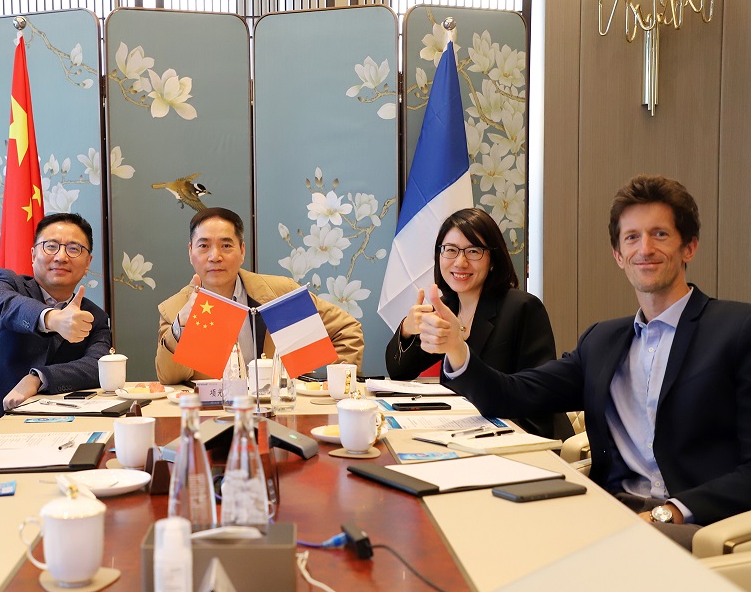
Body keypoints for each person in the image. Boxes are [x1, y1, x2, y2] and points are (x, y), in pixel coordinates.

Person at [422, 175, 751, 546]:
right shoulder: (602, 341)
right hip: (609, 509)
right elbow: (512, 394)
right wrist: (456, 348)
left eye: (659, 234)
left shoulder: (737, 329)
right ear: (618, 255)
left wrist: (669, 512)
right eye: (632, 237)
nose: (645, 248)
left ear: (689, 247)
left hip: (700, 527)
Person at [385, 208, 573, 440]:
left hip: (519, 435)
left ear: (493, 260)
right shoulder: (447, 308)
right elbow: (400, 372)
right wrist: (407, 329)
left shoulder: (522, 307)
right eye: (450, 250)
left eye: (473, 251)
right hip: (460, 433)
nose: (460, 262)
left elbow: (538, 396)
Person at [156, 207, 365, 385]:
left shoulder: (280, 294)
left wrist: (337, 386)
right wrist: (181, 326)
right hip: (212, 415)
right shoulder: (175, 309)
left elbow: (347, 330)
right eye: (204, 246)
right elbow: (169, 378)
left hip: (279, 411)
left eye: (226, 246)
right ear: (190, 251)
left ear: (242, 251)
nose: (215, 256)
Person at [0, 213, 112, 410]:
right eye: (51, 246)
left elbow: (98, 365)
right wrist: (52, 318)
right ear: (33, 255)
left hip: (63, 421)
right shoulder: (4, 284)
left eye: (74, 249)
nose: (61, 257)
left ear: (88, 263)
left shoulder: (94, 317)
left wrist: (39, 378)